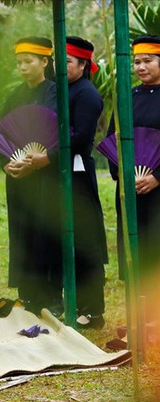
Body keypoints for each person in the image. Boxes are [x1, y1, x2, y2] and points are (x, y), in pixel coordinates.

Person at [1, 37, 63, 317]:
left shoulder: (55, 93)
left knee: (46, 232)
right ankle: (27, 294)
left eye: (29, 62)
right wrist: (6, 163)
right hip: (18, 177)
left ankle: (52, 295)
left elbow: (62, 132)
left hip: (45, 176)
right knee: (22, 232)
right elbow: (2, 133)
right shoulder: (14, 96)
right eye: (19, 63)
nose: (23, 68)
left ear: (45, 62)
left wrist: (38, 162)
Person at [108, 34, 160, 289]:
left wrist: (156, 177)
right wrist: (124, 174)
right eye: (137, 61)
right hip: (130, 188)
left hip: (158, 188)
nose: (140, 67)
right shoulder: (127, 97)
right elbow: (112, 138)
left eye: (147, 61)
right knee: (133, 245)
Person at [64, 36, 107, 329]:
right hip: (59, 173)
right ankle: (70, 302)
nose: (59, 66)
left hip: (78, 175)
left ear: (83, 64)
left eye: (66, 61)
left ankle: (93, 310)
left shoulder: (87, 94)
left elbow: (79, 139)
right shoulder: (61, 90)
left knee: (85, 241)